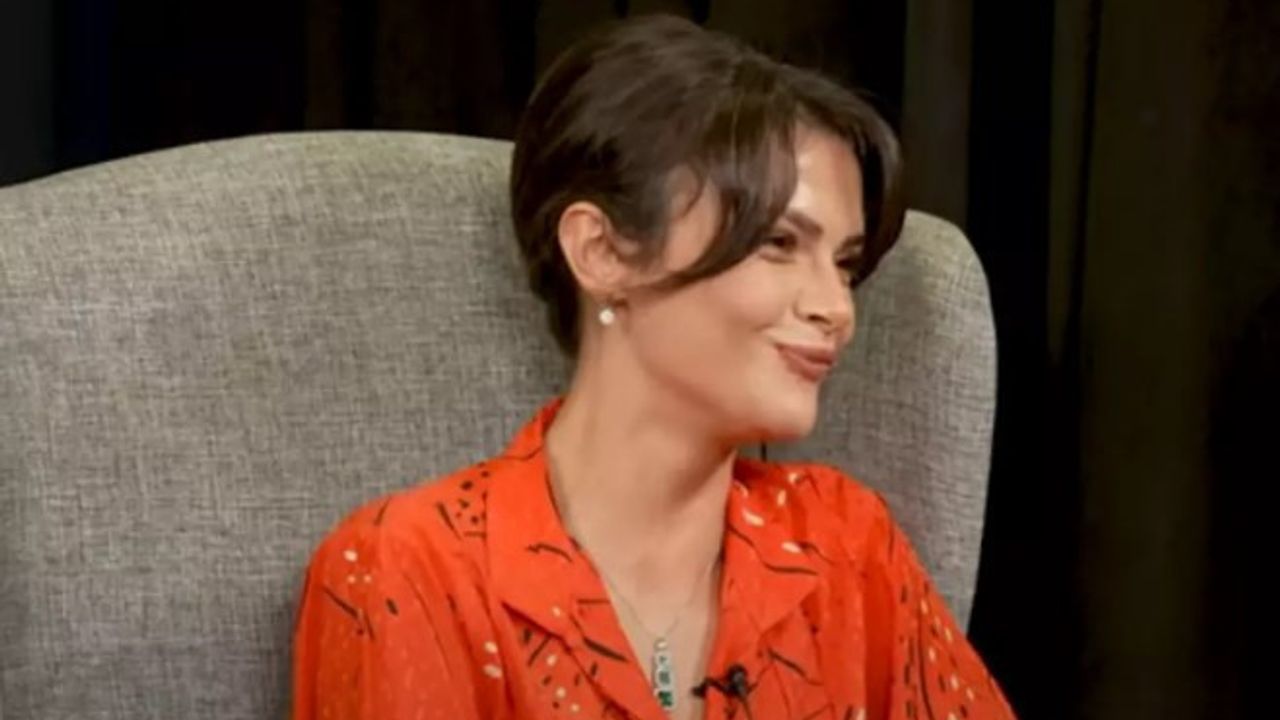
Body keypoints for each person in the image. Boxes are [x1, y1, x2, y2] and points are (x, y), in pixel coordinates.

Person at [291, 14, 1015, 720]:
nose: (836, 308)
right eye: (779, 244)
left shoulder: (847, 546)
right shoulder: (410, 569)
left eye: (846, 265)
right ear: (602, 253)